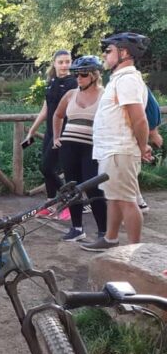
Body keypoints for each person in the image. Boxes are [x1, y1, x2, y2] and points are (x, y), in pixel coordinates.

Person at [81, 32, 152, 252]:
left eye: (109, 50)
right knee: (114, 196)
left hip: (120, 150)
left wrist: (142, 146)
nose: (105, 54)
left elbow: (138, 118)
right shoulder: (120, 79)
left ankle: (134, 251)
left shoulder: (128, 79)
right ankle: (110, 239)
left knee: (127, 200)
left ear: (125, 53)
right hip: (112, 150)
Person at [51, 55, 108, 241]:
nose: (78, 78)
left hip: (92, 147)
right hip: (69, 146)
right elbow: (57, 115)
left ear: (94, 75)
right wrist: (57, 137)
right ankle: (77, 228)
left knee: (94, 188)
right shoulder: (70, 94)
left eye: (83, 74)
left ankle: (103, 232)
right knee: (71, 187)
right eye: (76, 75)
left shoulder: (105, 95)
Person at [24, 50, 77, 220]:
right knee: (48, 169)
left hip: (65, 132)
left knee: (48, 167)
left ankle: (69, 202)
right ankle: (50, 204)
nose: (64, 65)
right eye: (61, 62)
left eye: (67, 62)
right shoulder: (51, 82)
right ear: (54, 63)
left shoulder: (73, 83)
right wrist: (32, 130)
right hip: (49, 131)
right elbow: (45, 109)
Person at [136, 88, 163, 213]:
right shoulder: (155, 119)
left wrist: (143, 146)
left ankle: (138, 203)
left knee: (130, 171)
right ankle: (139, 202)